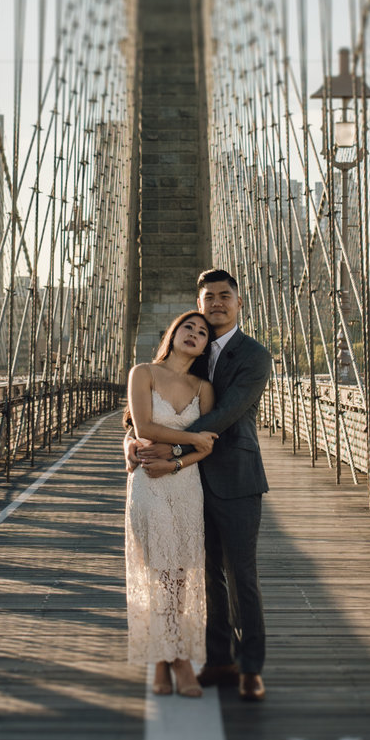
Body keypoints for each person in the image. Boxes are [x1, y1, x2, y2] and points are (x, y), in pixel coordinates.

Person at [131, 268, 271, 701]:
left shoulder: (254, 355)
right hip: (188, 484)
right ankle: (218, 659)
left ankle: (250, 668)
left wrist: (168, 450)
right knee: (204, 577)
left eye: (224, 295)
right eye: (208, 297)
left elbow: (226, 413)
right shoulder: (193, 349)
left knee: (240, 574)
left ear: (239, 302)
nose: (216, 304)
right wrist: (132, 443)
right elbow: (143, 412)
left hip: (234, 477)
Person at [124, 311, 219, 696]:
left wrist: (177, 459)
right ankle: (178, 659)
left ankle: (164, 660)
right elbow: (142, 427)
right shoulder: (142, 373)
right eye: (188, 327)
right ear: (173, 333)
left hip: (185, 484)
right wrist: (188, 440)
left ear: (205, 346)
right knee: (160, 571)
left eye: (202, 332)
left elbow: (207, 446)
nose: (195, 333)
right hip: (149, 484)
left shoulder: (203, 388)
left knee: (178, 574)